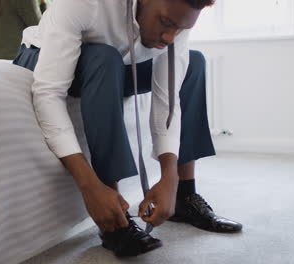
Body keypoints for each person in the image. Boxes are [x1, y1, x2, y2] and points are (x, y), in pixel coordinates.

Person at [13, 0, 243, 257]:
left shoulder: (177, 18)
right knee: (105, 56)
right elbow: (48, 94)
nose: (169, 37)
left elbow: (167, 100)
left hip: (115, 64)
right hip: (42, 55)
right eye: (166, 23)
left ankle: (184, 198)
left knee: (194, 62)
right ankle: (114, 219)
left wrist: (169, 177)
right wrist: (89, 186)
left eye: (179, 29)